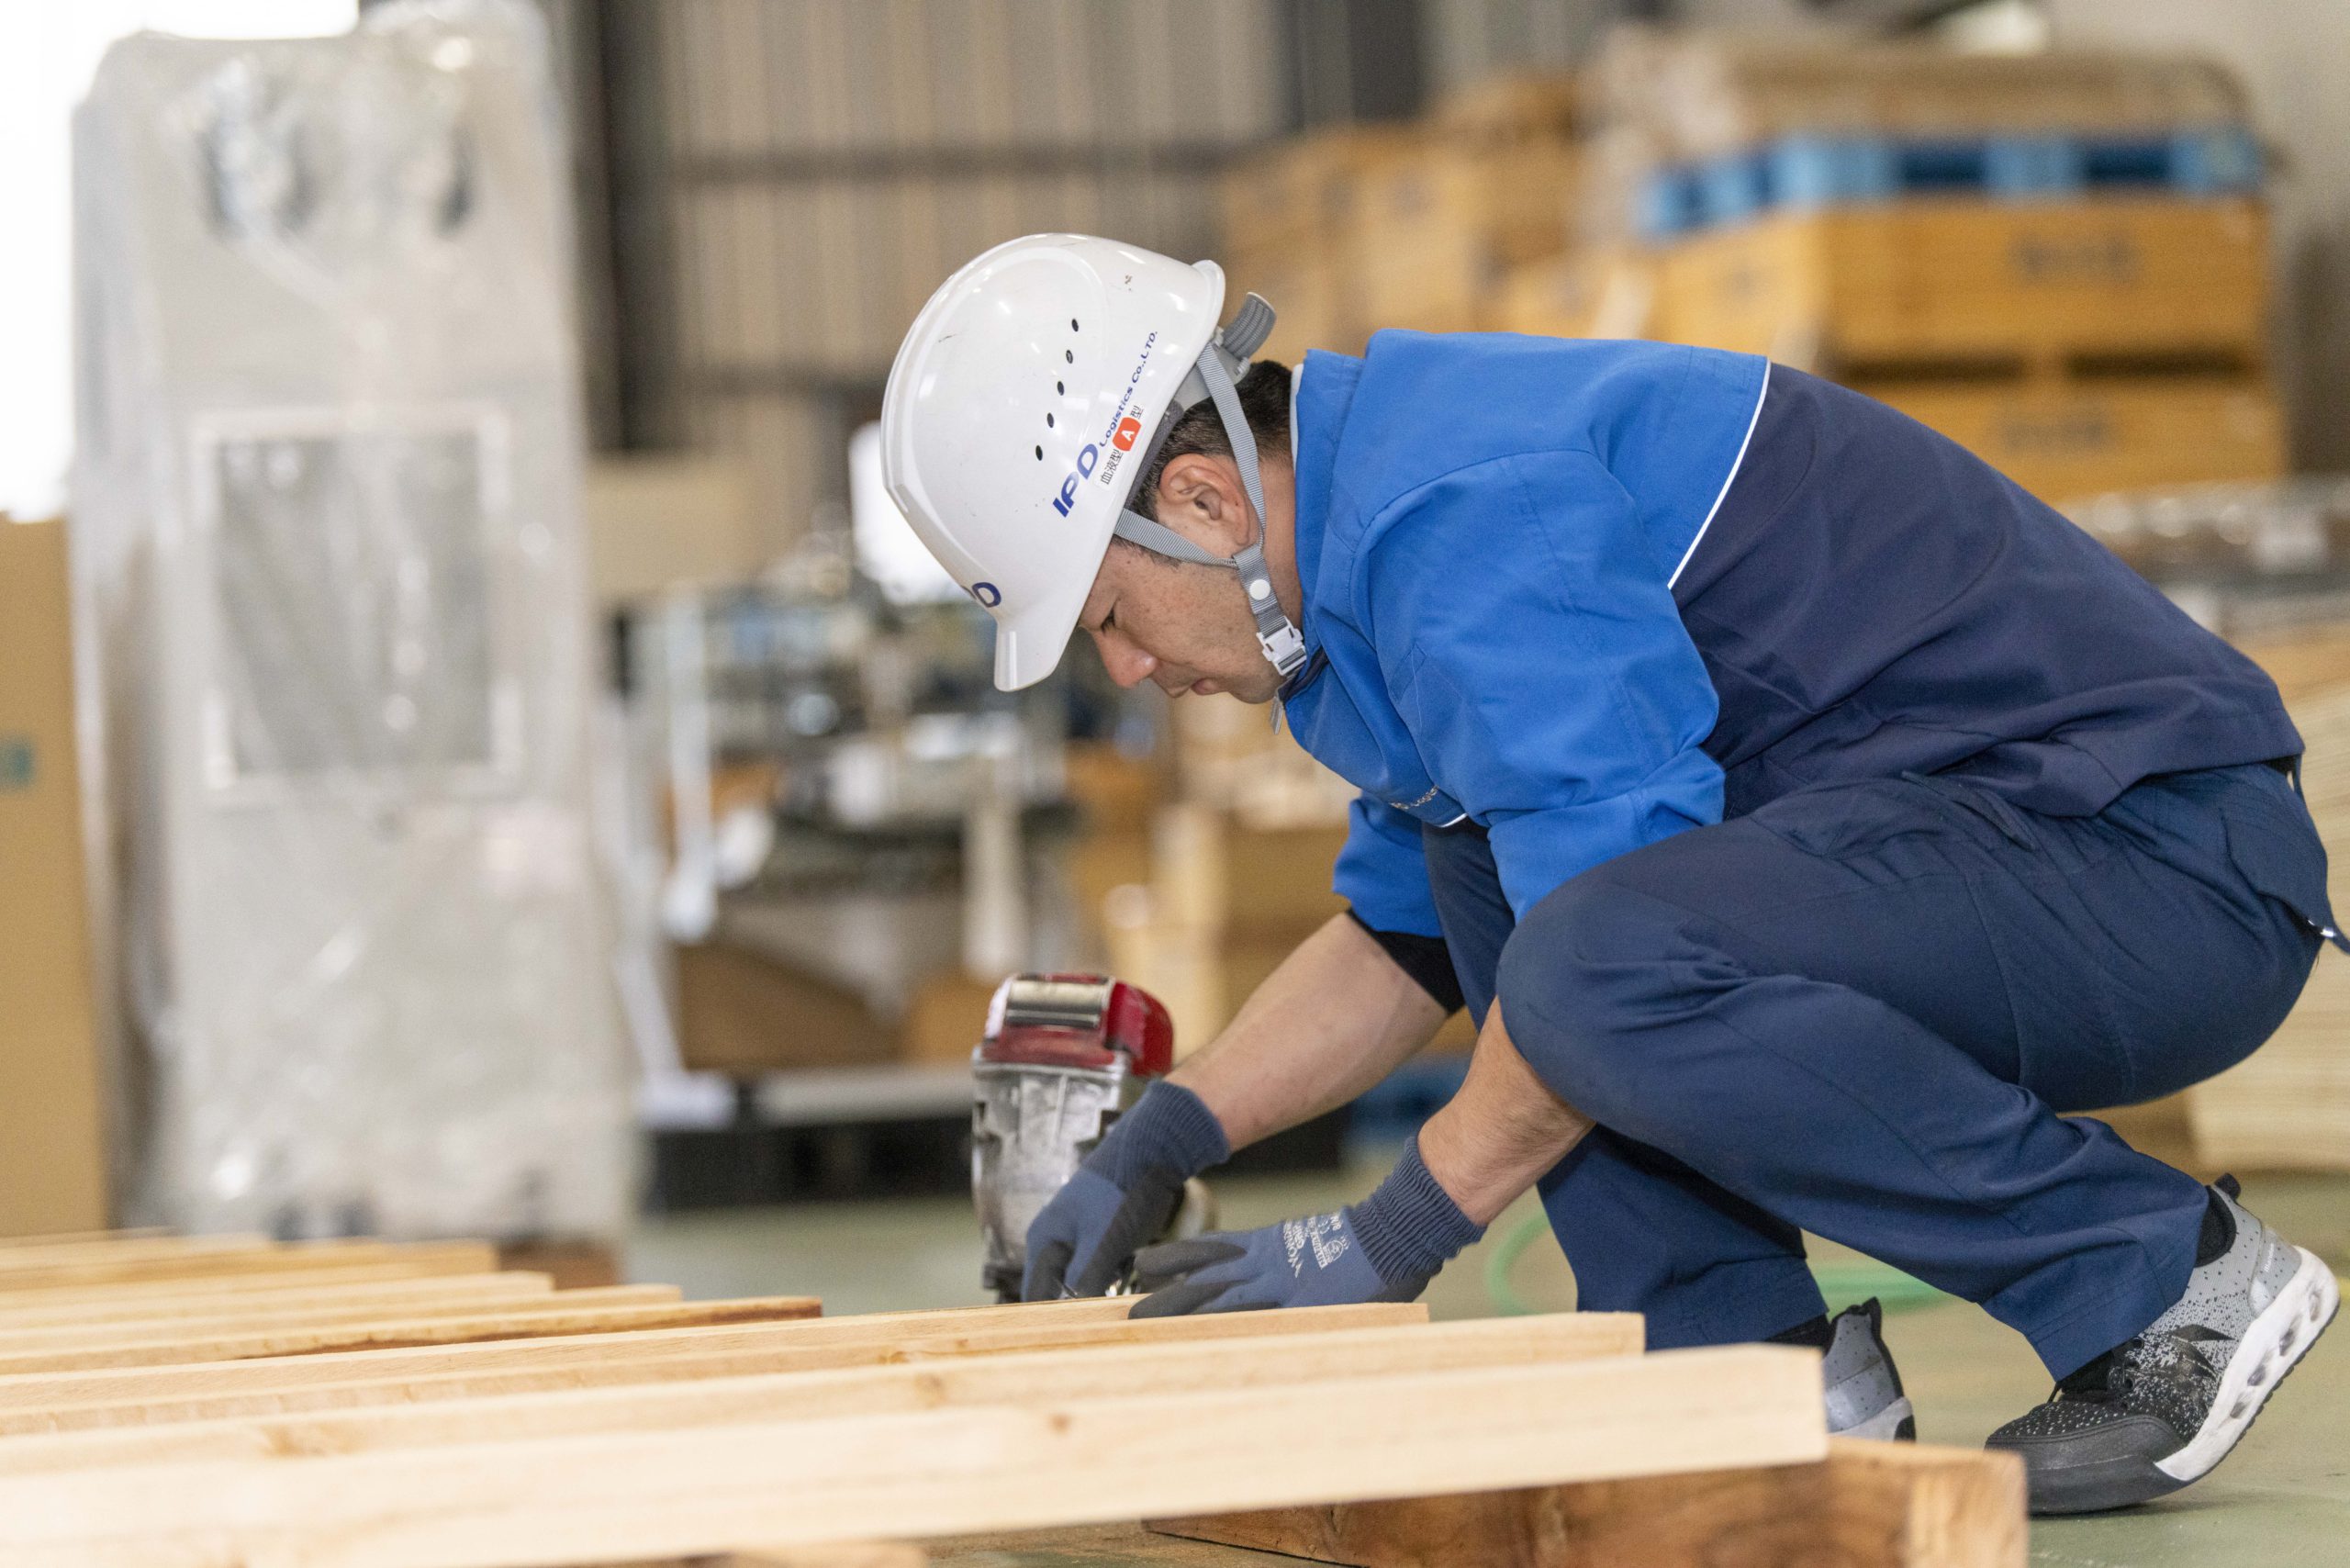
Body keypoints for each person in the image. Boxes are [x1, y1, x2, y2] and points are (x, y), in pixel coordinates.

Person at [879, 234, 2342, 1515]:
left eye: (1112, 618)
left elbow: (1604, 953)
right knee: (1488, 881)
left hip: (2160, 873)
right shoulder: (1371, 553)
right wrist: (1167, 1141)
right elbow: (1407, 944)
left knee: (1590, 958)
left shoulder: (1463, 511)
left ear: (1199, 503)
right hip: (2009, 868)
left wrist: (1394, 1234)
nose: (1128, 669)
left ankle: (2169, 1286)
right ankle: (1750, 1377)